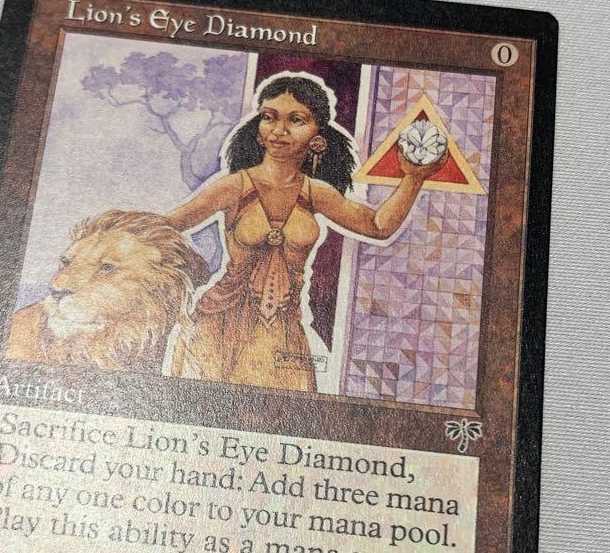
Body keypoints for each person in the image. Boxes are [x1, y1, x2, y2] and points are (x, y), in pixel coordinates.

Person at [166, 72, 442, 392]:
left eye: (296, 120)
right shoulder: (233, 187)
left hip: (284, 330)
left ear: (317, 136)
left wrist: (414, 177)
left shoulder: (316, 194)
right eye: (269, 117)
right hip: (217, 325)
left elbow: (378, 226)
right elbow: (164, 227)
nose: (279, 130)